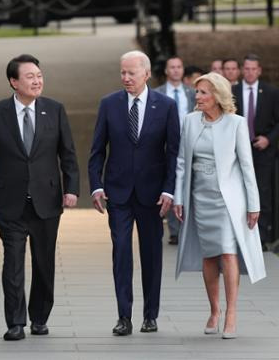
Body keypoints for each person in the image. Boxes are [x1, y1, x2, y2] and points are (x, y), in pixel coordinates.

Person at [0, 54, 79, 341]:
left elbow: (67, 153)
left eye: (39, 76)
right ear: (14, 82)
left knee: (44, 263)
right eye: (30, 76)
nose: (37, 81)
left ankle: (40, 317)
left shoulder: (54, 110)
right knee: (13, 263)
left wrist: (72, 188)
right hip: (10, 201)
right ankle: (16, 322)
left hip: (47, 200)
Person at [88, 50, 180, 336]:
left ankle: (150, 315)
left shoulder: (165, 106)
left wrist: (169, 190)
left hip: (153, 195)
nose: (126, 78)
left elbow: (173, 153)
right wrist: (97, 185)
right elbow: (97, 150)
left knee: (152, 254)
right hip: (118, 193)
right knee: (121, 253)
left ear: (147, 73)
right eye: (122, 72)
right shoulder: (109, 104)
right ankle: (123, 316)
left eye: (131, 73)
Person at [173, 72, 266, 339]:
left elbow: (246, 166)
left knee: (228, 252)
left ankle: (232, 312)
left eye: (203, 92)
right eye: (197, 92)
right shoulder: (190, 121)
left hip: (227, 200)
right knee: (209, 255)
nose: (197, 97)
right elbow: (181, 162)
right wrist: (179, 197)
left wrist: (253, 204)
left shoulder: (236, 123)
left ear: (218, 96)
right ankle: (214, 311)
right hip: (199, 197)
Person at [232, 54, 279, 250]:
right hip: (237, 151)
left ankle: (260, 236)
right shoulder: (233, 91)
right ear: (243, 70)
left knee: (262, 192)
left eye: (254, 69)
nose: (250, 72)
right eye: (247, 68)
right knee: (238, 192)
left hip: (262, 149)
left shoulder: (271, 92)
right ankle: (239, 235)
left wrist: (269, 139)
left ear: (259, 70)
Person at [153, 56, 195, 245]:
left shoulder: (193, 93)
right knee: (169, 181)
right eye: (172, 67)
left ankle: (190, 225)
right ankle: (174, 230)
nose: (176, 70)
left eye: (179, 67)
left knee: (190, 182)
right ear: (166, 71)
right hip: (165, 144)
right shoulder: (156, 93)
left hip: (190, 142)